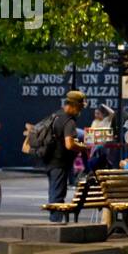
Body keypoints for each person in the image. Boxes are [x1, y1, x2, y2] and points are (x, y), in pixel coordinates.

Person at [37, 90, 88, 221]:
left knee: (53, 192)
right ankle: (55, 224)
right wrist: (83, 147)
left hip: (49, 160)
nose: (79, 111)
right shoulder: (69, 122)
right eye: (79, 108)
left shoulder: (56, 116)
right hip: (59, 162)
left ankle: (54, 220)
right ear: (73, 105)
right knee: (58, 195)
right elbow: (69, 144)